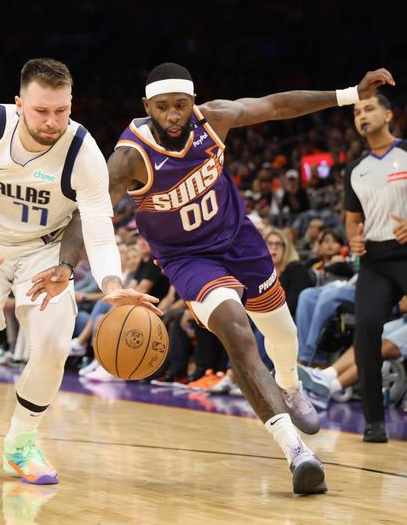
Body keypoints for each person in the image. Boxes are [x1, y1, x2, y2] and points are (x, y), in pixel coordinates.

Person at [37, 62, 394, 494]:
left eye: (181, 106)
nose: (173, 115)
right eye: (163, 107)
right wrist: (64, 264)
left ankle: (292, 386)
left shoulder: (215, 118)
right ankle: (296, 450)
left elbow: (277, 105)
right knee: (235, 329)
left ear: (193, 101)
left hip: (238, 239)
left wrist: (349, 94)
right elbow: (90, 212)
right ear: (146, 106)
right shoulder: (130, 157)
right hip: (188, 260)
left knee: (281, 332)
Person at [0, 58, 158, 485]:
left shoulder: (82, 149)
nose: (52, 121)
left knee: (55, 343)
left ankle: (21, 442)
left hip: (43, 252)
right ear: (19, 103)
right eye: (41, 111)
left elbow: (96, 221)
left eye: (62, 110)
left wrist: (112, 282)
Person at [343, 91, 407, 442]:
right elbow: (353, 221)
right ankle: (374, 422)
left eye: (369, 109)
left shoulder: (406, 153)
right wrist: (353, 239)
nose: (362, 116)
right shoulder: (355, 170)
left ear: (387, 115)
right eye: (356, 112)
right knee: (365, 326)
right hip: (376, 261)